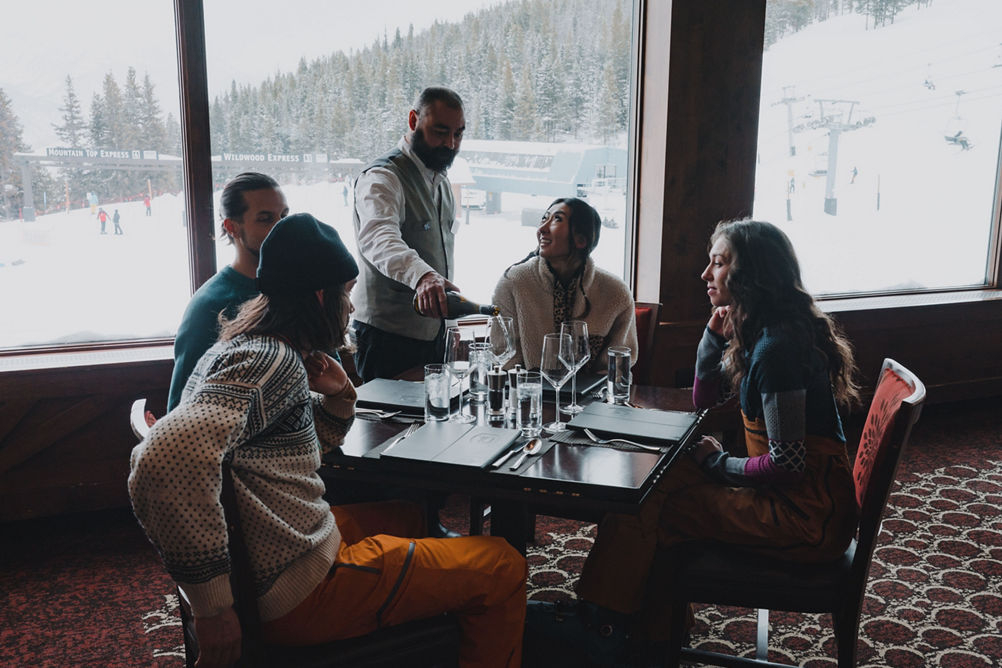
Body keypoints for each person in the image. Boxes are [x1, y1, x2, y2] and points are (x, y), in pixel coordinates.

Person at [129, 213, 527, 668]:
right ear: (321, 295)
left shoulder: (242, 345)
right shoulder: (271, 362)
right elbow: (162, 459)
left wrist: (339, 396)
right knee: (504, 565)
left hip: (281, 553)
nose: (352, 308)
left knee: (410, 516)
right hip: (298, 587)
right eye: (347, 294)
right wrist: (213, 608)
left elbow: (287, 457)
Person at [528, 219, 861, 664]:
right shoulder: (759, 331)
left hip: (806, 515)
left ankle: (612, 629)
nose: (705, 274)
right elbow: (706, 401)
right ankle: (629, 626)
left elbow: (787, 465)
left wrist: (719, 464)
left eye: (718, 263)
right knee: (656, 475)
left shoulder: (777, 351)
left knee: (659, 505)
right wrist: (710, 337)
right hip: (794, 496)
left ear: (751, 276)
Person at [351, 86, 466, 382]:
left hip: (434, 338)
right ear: (414, 121)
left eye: (458, 134)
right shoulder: (382, 177)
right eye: (441, 132)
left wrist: (448, 326)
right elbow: (379, 237)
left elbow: (442, 256)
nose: (450, 144)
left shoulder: (441, 182)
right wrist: (423, 277)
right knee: (388, 427)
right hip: (387, 338)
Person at [166, 172, 288, 411]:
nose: (281, 227)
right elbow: (181, 408)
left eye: (284, 216)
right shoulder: (209, 306)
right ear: (232, 227)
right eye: (265, 219)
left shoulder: (299, 287)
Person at [492, 197, 637, 372]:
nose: (542, 229)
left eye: (557, 219)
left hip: (593, 398)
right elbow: (504, 356)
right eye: (544, 219)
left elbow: (618, 365)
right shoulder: (514, 282)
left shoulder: (615, 292)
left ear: (581, 240)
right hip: (528, 394)